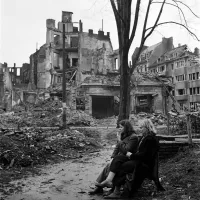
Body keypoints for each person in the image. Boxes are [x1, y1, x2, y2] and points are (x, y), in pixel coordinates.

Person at [99, 119, 159, 199]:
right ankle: (110, 183)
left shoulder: (150, 139)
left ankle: (115, 191)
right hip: (138, 159)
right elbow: (138, 151)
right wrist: (130, 155)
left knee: (121, 167)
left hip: (144, 164)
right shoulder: (144, 137)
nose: (140, 129)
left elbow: (145, 156)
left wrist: (131, 155)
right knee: (118, 158)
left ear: (147, 127)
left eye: (141, 128)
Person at [88, 119, 139, 195]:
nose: (119, 129)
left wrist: (119, 141)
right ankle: (98, 187)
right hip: (119, 158)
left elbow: (127, 149)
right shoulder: (123, 135)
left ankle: (110, 187)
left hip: (127, 158)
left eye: (121, 127)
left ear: (126, 127)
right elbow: (117, 147)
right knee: (108, 166)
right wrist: (113, 156)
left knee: (111, 167)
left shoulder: (133, 137)